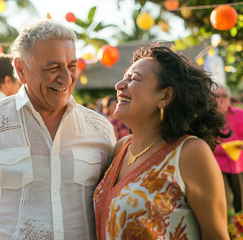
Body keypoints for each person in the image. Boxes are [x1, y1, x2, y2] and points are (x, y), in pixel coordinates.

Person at [0, 20, 116, 239]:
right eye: (53, 68)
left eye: (71, 66)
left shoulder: (100, 129)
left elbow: (115, 206)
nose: (67, 78)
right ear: (21, 70)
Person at [94, 43, 230, 239]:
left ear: (165, 96)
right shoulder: (120, 149)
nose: (119, 85)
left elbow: (216, 235)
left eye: (133, 79)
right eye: (123, 78)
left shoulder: (189, 152)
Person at [213, 85, 243, 214]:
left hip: (238, 164)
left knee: (240, 200)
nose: (220, 99)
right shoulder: (207, 118)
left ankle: (239, 229)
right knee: (222, 202)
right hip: (217, 165)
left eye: (224, 96)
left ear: (229, 98)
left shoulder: (240, 114)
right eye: (217, 96)